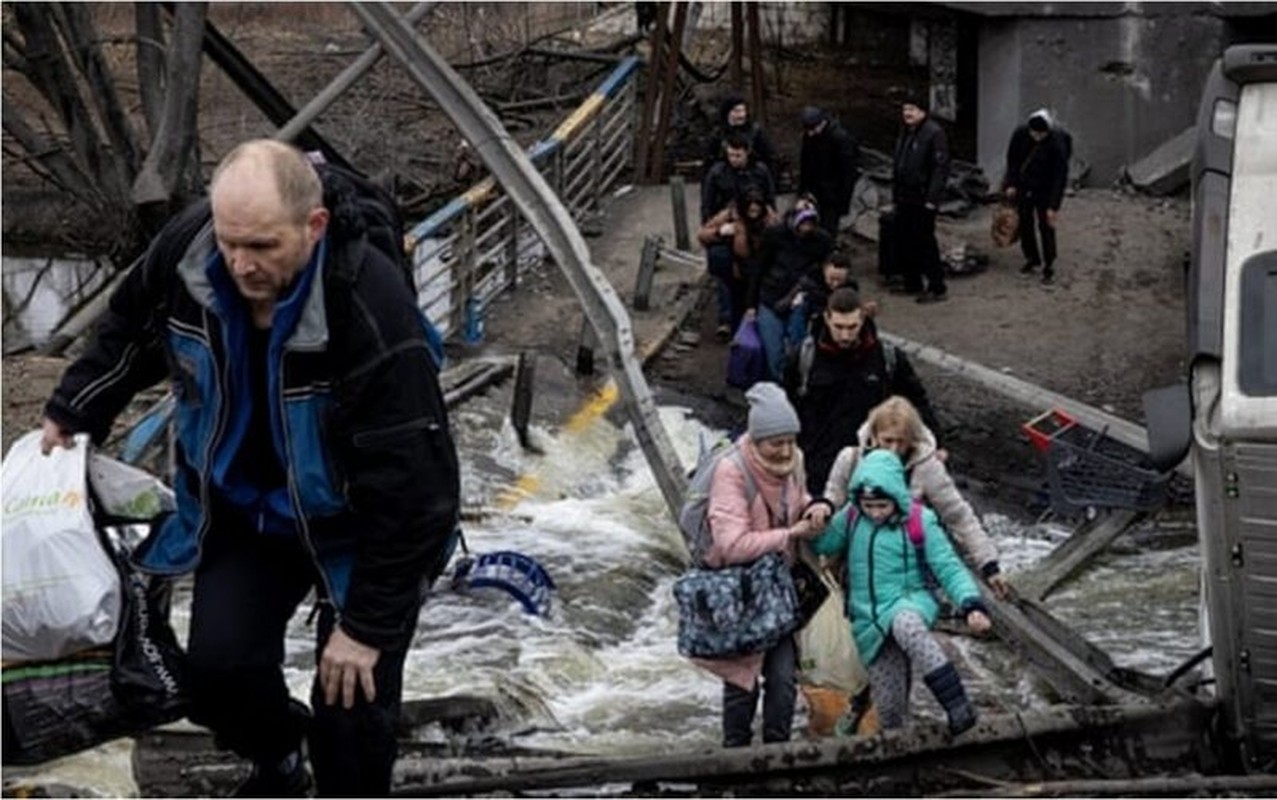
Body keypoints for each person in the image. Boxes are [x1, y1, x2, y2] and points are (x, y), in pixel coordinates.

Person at [39, 140, 461, 797]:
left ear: (312, 228)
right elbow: (130, 323)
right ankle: (279, 759)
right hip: (247, 509)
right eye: (231, 241)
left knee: (351, 709)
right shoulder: (191, 248)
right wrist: (76, 408)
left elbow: (417, 492)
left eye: (263, 246)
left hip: (358, 525)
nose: (241, 263)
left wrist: (364, 629)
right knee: (216, 674)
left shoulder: (368, 304)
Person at [810, 449, 991, 734]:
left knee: (906, 625)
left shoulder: (921, 520)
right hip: (868, 618)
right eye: (869, 505)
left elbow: (949, 567)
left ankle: (958, 704)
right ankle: (896, 751)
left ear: (896, 495)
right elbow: (822, 545)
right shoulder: (852, 517)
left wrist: (971, 605)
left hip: (909, 600)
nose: (875, 513)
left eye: (882, 505)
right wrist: (815, 519)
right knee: (890, 708)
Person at [698, 382, 832, 747]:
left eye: (791, 440)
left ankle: (777, 753)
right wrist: (790, 534)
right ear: (756, 440)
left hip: (779, 588)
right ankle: (735, 758)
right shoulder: (731, 471)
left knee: (784, 680)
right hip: (740, 589)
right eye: (777, 443)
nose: (786, 450)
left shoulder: (794, 462)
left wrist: (814, 506)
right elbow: (731, 544)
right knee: (742, 682)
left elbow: (798, 497)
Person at [823, 396, 1010, 598]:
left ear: (911, 439)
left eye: (900, 442)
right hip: (856, 561)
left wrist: (989, 565)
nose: (894, 449)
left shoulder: (926, 468)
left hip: (908, 566)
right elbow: (832, 500)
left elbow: (958, 516)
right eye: (888, 441)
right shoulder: (850, 460)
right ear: (875, 435)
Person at [788, 287, 939, 496]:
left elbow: (916, 401)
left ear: (862, 319)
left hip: (874, 466)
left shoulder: (886, 358)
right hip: (819, 469)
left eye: (852, 327)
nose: (845, 335)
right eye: (838, 327)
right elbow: (788, 407)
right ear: (827, 318)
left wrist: (936, 444)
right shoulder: (805, 358)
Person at [746, 199, 834, 383]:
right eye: (803, 222)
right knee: (773, 351)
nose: (806, 228)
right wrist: (751, 304)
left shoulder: (822, 241)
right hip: (771, 297)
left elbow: (826, 273)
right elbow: (759, 268)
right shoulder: (774, 235)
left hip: (801, 302)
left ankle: (793, 387)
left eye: (811, 223)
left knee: (798, 350)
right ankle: (779, 386)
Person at [698, 186, 779, 340]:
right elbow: (703, 234)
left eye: (757, 205)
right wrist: (720, 232)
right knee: (737, 303)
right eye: (750, 205)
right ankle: (739, 339)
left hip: (761, 269)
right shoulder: (731, 215)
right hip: (737, 268)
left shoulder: (770, 221)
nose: (754, 209)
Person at [891, 95, 950, 304]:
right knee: (905, 238)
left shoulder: (934, 133)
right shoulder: (906, 132)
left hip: (922, 196)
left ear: (923, 112)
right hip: (904, 195)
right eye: (905, 108)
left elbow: (940, 169)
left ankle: (936, 285)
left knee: (924, 240)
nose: (907, 113)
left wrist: (932, 199)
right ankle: (912, 280)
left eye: (912, 109)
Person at [1003, 109, 1072, 285]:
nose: (1037, 137)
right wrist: (1010, 183)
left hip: (1046, 189)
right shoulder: (1020, 134)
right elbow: (1012, 160)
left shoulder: (1057, 142)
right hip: (1024, 186)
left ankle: (1049, 264)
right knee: (1025, 223)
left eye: (1041, 134)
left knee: (1046, 225)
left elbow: (1060, 176)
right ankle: (1032, 258)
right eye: (1034, 133)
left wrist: (1053, 206)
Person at [798, 106, 860, 235]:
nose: (810, 133)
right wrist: (803, 191)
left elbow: (848, 173)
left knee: (827, 231)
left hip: (833, 195)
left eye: (813, 129)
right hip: (814, 190)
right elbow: (805, 164)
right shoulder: (809, 137)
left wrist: (843, 202)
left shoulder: (841, 139)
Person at [700, 132, 776, 225]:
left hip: (756, 213)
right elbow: (708, 201)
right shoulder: (717, 172)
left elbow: (770, 196)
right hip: (726, 215)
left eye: (738, 156)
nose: (734, 159)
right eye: (731, 155)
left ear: (747, 153)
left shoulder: (760, 170)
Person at [705, 93, 777, 176]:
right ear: (728, 112)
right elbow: (709, 163)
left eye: (743, 111)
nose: (741, 115)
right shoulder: (718, 134)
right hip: (725, 181)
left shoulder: (756, 132)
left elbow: (770, 158)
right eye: (737, 111)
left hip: (752, 180)